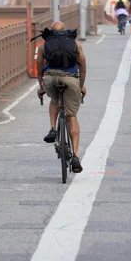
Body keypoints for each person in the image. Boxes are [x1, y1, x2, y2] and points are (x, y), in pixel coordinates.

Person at [36, 21, 86, 173]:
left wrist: (42, 88)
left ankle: (52, 128)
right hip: (70, 79)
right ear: (66, 31)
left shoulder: (44, 46)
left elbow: (39, 71)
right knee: (71, 116)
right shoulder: (75, 45)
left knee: (55, 100)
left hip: (50, 78)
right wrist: (81, 86)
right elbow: (83, 68)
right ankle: (76, 156)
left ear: (51, 32)